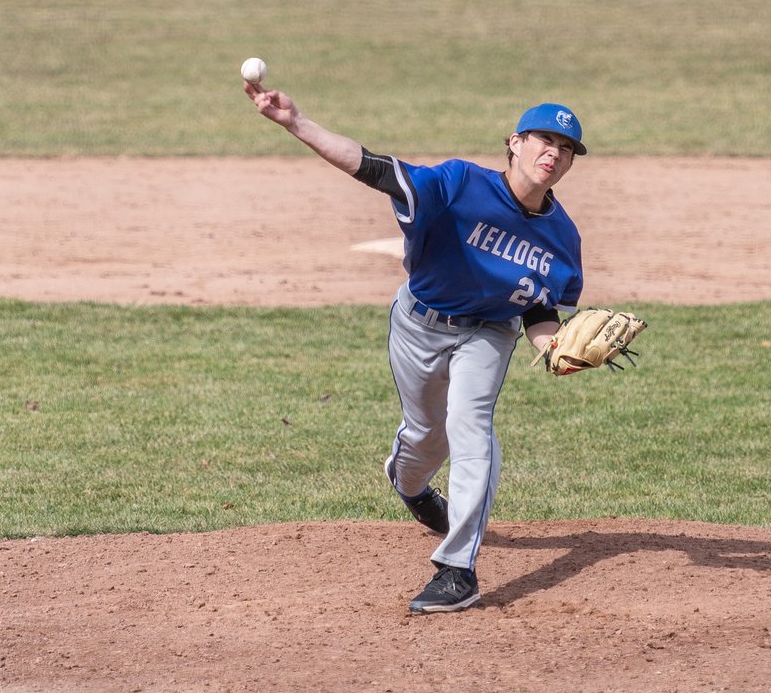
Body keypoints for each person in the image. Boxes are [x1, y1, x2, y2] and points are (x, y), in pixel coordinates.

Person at [244, 78, 586, 614]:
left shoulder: (562, 236)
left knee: (471, 427)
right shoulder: (456, 183)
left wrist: (554, 348)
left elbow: (538, 309)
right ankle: (409, 486)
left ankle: (457, 570)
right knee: (426, 438)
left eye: (565, 148)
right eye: (544, 139)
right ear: (514, 142)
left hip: (488, 332)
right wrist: (296, 123)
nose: (554, 152)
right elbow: (375, 168)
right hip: (418, 324)